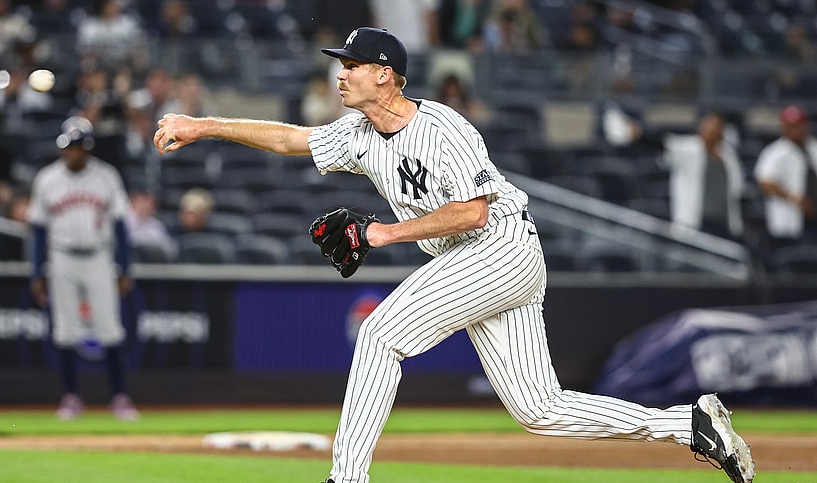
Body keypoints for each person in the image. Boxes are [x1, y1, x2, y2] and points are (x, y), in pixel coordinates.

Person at [153, 27, 754, 483]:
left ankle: (346, 477)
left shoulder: (443, 128)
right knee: (538, 409)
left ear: (386, 75)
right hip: (475, 261)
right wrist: (201, 125)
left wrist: (383, 235)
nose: (341, 75)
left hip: (501, 247)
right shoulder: (359, 134)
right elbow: (290, 138)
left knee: (381, 334)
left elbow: (474, 211)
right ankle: (688, 426)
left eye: (353, 66)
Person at [27, 116, 140, 422]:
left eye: (79, 147)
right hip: (62, 257)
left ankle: (119, 397)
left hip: (98, 256)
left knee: (110, 327)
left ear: (88, 148)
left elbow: (120, 227)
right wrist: (36, 272)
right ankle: (71, 398)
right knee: (65, 329)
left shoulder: (106, 177)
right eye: (70, 147)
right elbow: (37, 231)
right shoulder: (47, 179)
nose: (74, 153)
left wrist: (124, 268)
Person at [662, 111, 745, 240]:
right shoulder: (687, 149)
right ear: (701, 128)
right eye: (710, 125)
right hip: (695, 223)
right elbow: (662, 146)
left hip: (723, 223)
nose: (714, 129)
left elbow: (737, 188)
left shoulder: (728, 156)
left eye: (718, 126)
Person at [754, 104, 817, 250]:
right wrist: (792, 197)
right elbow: (765, 181)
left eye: (797, 125)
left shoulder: (814, 147)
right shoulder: (776, 151)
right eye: (790, 125)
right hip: (790, 222)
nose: (793, 129)